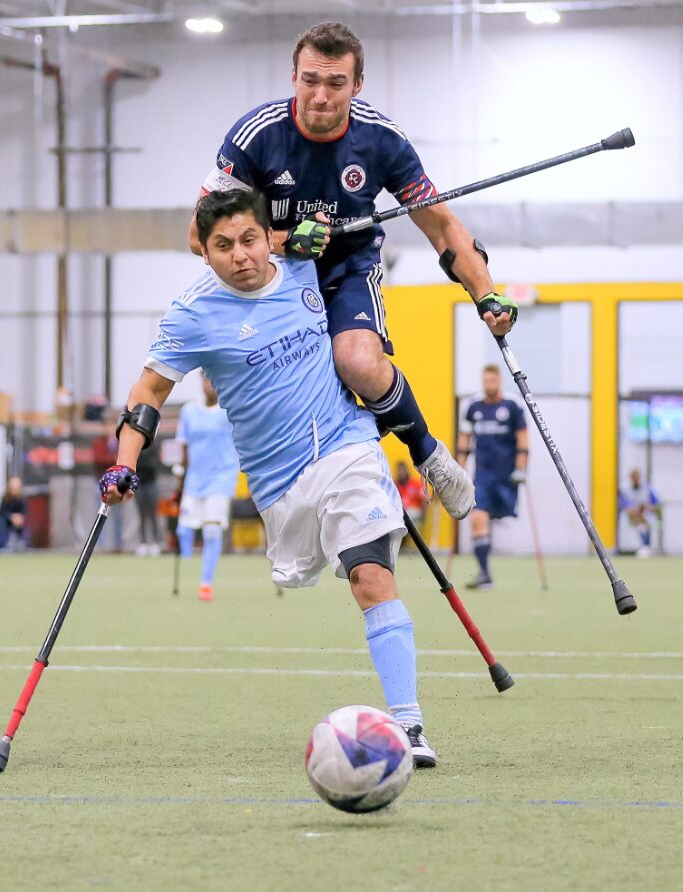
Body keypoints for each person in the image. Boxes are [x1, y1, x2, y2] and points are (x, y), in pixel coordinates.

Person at [102, 188, 437, 767]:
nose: (240, 256)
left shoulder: (306, 264)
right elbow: (147, 393)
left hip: (346, 444)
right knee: (322, 570)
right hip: (279, 483)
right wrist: (125, 461)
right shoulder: (193, 312)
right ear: (204, 253)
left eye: (249, 240)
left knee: (370, 574)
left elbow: (362, 254)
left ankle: (408, 726)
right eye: (223, 246)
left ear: (268, 237)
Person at [188, 21, 521, 521]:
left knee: (359, 363)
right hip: (271, 279)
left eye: (336, 83)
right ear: (293, 76)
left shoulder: (381, 140)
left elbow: (443, 226)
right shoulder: (254, 136)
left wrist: (486, 297)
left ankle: (429, 455)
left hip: (347, 267)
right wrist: (280, 240)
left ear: (357, 85)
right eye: (309, 80)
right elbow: (198, 235)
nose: (320, 96)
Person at [456, 364, 529, 589]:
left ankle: (487, 570)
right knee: (478, 518)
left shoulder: (513, 405)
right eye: (485, 381)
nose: (489, 385)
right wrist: (458, 472)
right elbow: (464, 441)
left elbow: (523, 439)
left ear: (499, 381)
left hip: (507, 475)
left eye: (492, 381)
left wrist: (521, 469)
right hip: (484, 475)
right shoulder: (472, 406)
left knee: (499, 516)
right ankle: (484, 574)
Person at [175, 374, 240, 600]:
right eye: (205, 380)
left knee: (212, 530)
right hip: (194, 481)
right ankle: (189, 576)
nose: (208, 385)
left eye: (213, 380)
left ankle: (205, 582)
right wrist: (180, 480)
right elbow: (183, 447)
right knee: (183, 530)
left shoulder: (229, 411)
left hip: (221, 480)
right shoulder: (189, 411)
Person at [619, 468, 661, 558]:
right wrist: (635, 510)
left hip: (647, 515)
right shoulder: (626, 492)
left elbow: (657, 507)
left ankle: (645, 546)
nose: (635, 479)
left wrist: (646, 507)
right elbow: (624, 507)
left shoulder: (647, 490)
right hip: (632, 516)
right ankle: (645, 545)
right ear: (630, 479)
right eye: (633, 478)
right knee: (636, 516)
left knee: (641, 518)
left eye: (637, 477)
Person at [133, 440, 161, 556]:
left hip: (151, 482)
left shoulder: (153, 444)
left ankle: (154, 542)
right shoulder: (136, 445)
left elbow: (155, 463)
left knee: (153, 513)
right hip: (139, 483)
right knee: (141, 514)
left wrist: (143, 465)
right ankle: (143, 542)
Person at [0, 476, 26, 552]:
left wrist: (19, 517)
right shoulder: (5, 498)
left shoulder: (22, 499)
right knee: (1, 522)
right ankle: (3, 546)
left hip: (18, 521)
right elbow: (2, 512)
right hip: (5, 520)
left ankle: (20, 543)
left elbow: (24, 511)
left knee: (21, 522)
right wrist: (11, 517)